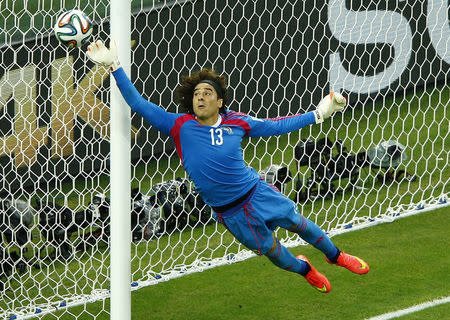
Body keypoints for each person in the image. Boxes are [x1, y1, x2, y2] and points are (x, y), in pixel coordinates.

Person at [86, 40, 369, 293]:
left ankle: (336, 256)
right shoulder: (179, 126)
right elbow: (138, 103)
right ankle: (306, 270)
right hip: (230, 212)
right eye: (197, 93)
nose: (200, 96)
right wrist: (114, 65)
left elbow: (276, 125)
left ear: (219, 102)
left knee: (298, 224)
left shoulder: (237, 122)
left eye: (207, 92)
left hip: (257, 192)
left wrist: (318, 114)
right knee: (274, 253)